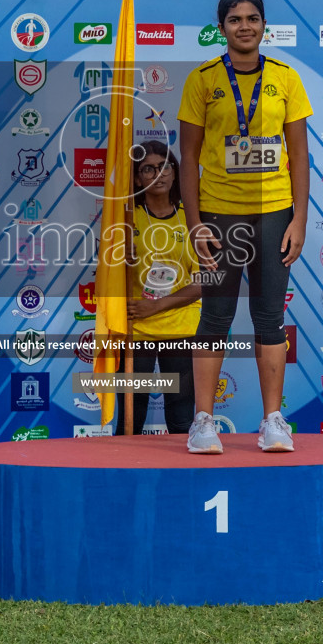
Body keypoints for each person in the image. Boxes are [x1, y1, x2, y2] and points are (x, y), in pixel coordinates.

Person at [177, 0, 312, 454]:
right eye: (235, 19)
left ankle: (273, 420)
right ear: (222, 28)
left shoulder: (287, 78)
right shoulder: (203, 80)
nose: (245, 26)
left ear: (263, 25)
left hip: (274, 212)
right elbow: (188, 157)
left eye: (252, 18)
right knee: (215, 316)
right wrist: (195, 223)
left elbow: (299, 152)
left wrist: (300, 218)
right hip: (219, 214)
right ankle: (203, 422)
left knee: (270, 317)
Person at [122, 141, 201, 435]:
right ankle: (124, 478)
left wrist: (156, 305)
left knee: (181, 420)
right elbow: (109, 275)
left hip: (181, 328)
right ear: (137, 177)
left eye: (165, 166)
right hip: (136, 328)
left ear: (176, 171)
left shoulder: (191, 218)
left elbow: (204, 282)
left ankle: (183, 480)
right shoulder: (126, 219)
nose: (159, 174)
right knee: (131, 417)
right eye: (148, 169)